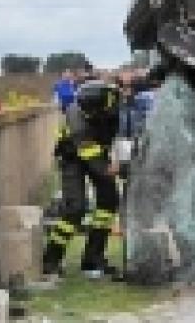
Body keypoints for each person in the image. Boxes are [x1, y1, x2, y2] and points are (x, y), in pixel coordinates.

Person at [42, 80, 122, 278]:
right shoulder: (78, 120)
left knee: (109, 201)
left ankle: (93, 260)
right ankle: (51, 260)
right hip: (72, 158)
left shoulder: (111, 102)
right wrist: (110, 169)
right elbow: (92, 158)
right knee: (75, 209)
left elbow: (107, 139)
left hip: (96, 151)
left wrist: (114, 160)